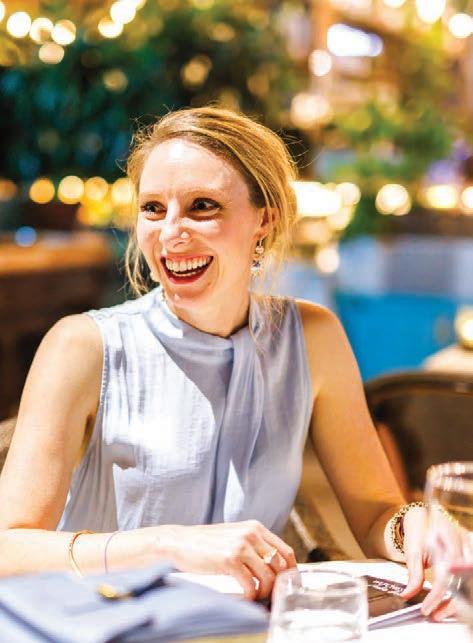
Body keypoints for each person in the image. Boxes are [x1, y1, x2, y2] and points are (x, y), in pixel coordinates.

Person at [0, 107, 447, 617]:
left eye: (202, 206)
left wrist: (414, 527)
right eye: (152, 208)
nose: (170, 232)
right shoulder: (82, 346)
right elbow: (8, 548)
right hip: (109, 626)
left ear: (264, 219)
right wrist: (169, 544)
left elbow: (376, 515)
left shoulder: (313, 339)